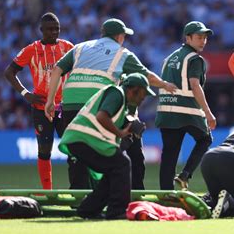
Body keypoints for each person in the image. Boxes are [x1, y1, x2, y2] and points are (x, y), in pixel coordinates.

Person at [45, 18, 177, 189]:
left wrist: (50, 101)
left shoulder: (80, 47)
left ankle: (79, 194)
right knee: (129, 139)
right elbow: (147, 77)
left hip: (70, 103)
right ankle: (134, 188)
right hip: (98, 103)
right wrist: (165, 84)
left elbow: (57, 70)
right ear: (119, 36)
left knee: (77, 152)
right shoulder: (122, 53)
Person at [58, 73, 155, 219]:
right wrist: (121, 133)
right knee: (122, 163)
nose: (144, 98)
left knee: (114, 170)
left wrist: (126, 132)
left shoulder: (121, 102)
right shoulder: (116, 93)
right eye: (143, 93)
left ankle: (88, 210)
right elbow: (101, 116)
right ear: (133, 89)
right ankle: (117, 211)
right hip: (83, 139)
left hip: (81, 140)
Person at [4, 12, 74, 190]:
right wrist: (25, 93)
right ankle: (47, 191)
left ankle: (78, 187)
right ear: (41, 30)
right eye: (50, 29)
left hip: (64, 107)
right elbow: (9, 72)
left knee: (75, 149)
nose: (54, 32)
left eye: (57, 29)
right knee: (44, 150)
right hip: (40, 107)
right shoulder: (31, 50)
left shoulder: (68, 48)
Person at [155, 21, 216, 190]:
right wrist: (208, 113)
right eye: (199, 37)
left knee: (169, 154)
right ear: (188, 38)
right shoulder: (195, 59)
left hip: (166, 111)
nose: (203, 41)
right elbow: (195, 85)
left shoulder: (169, 58)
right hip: (187, 111)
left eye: (205, 37)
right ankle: (185, 175)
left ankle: (166, 194)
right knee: (205, 139)